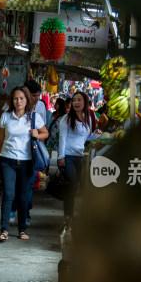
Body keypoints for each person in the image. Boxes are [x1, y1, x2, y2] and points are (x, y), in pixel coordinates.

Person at [0, 86, 49, 242]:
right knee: (8, 195)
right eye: (16, 98)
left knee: (23, 197)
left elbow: (45, 133)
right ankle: (4, 230)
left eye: (21, 98)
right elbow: (0, 139)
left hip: (27, 162)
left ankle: (22, 229)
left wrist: (37, 134)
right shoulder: (6, 116)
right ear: (12, 100)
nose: (18, 101)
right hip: (7, 160)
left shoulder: (34, 117)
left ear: (27, 100)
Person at [57, 91, 102, 230]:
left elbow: (85, 138)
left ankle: (73, 217)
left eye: (79, 100)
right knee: (71, 185)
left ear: (85, 102)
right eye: (74, 100)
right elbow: (62, 138)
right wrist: (61, 157)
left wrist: (95, 135)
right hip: (68, 156)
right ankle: (68, 218)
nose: (76, 103)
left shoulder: (87, 118)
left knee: (76, 186)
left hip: (79, 157)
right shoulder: (66, 118)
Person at [10, 79, 49, 225]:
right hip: (14, 154)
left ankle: (25, 213)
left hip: (32, 154)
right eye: (33, 96)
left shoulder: (40, 107)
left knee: (28, 186)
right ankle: (12, 210)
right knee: (15, 186)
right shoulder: (12, 107)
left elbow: (44, 132)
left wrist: (38, 138)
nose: (36, 99)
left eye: (38, 96)